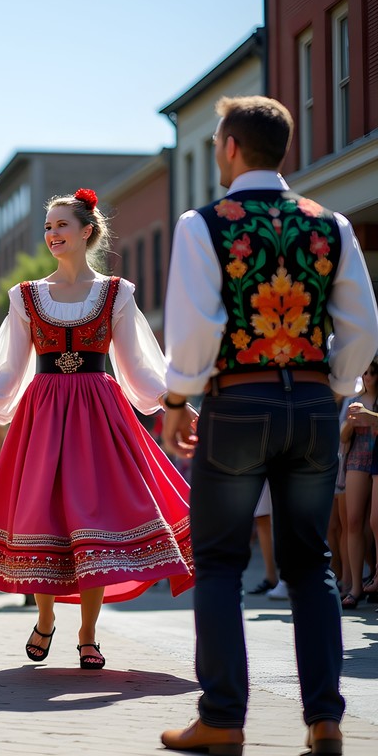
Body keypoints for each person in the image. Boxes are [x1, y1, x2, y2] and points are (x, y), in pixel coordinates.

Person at [160, 95, 378, 756]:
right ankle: (325, 720)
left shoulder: (205, 225)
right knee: (311, 563)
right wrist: (332, 386)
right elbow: (363, 328)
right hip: (312, 406)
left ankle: (224, 718)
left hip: (238, 404)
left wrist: (178, 400)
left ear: (227, 147)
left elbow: (195, 330)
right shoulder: (330, 224)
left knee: (222, 562)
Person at [0, 188, 195, 672]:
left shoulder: (116, 292)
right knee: (43, 516)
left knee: (94, 522)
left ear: (87, 232)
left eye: (61, 225)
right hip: (42, 417)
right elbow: (10, 368)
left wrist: (176, 404)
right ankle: (44, 618)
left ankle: (88, 633)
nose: (53, 234)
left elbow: (140, 364)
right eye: (47, 227)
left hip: (100, 418)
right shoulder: (27, 296)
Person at [338, 358, 378, 608]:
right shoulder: (355, 401)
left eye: (371, 372)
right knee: (352, 520)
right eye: (364, 372)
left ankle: (373, 575)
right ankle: (354, 586)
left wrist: (370, 417)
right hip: (357, 457)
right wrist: (351, 424)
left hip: (376, 456)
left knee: (374, 521)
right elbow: (342, 436)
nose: (367, 377)